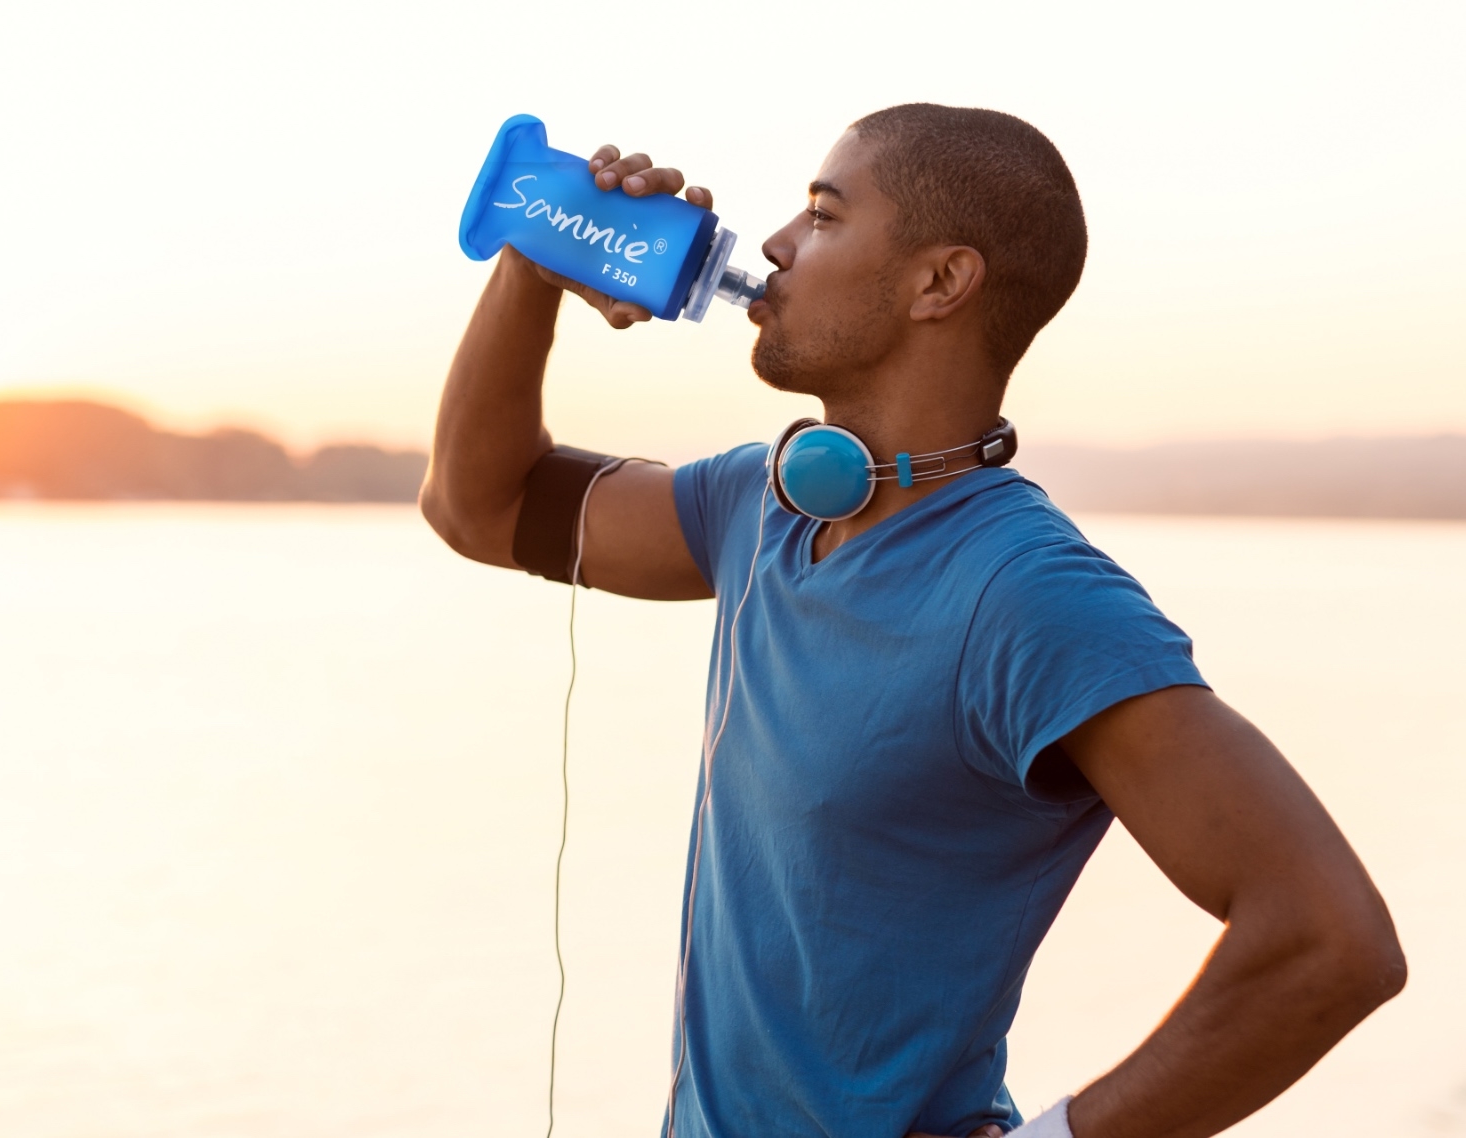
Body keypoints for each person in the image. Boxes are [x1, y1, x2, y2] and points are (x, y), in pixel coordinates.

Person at [419, 104, 1406, 1138]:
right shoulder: (765, 505)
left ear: (940, 282)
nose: (775, 244)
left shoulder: (1032, 595)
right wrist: (536, 256)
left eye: (824, 214)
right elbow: (478, 504)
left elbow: (1330, 939)